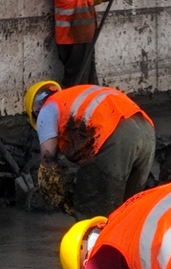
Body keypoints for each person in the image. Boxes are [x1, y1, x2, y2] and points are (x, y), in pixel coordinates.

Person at [25, 79, 158, 214]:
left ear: (35, 110)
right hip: (146, 131)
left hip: (114, 135)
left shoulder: (46, 110)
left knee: (94, 210)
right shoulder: (73, 96)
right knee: (129, 209)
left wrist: (53, 193)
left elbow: (48, 159)